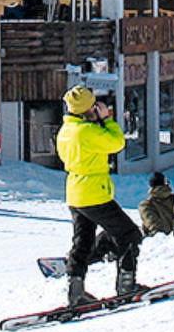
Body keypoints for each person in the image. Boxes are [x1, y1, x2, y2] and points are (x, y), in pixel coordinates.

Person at [56, 84, 141, 304]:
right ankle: (126, 285)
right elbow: (117, 143)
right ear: (88, 108)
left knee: (82, 242)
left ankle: (75, 291)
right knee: (129, 234)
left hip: (75, 192)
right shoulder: (87, 131)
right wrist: (107, 119)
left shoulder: (66, 131)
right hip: (94, 193)